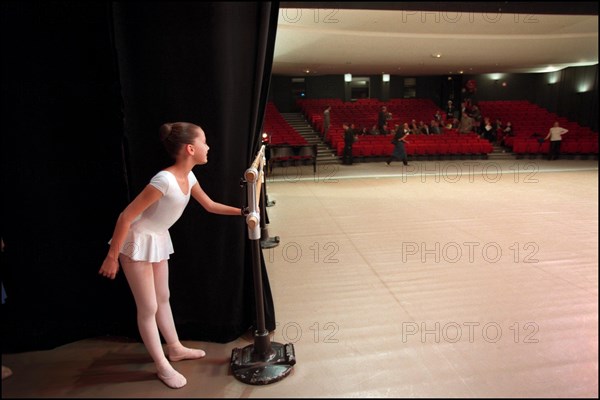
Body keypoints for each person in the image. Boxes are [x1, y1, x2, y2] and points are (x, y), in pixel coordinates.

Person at [98, 122, 245, 389]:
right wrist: (112, 256)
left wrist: (243, 213)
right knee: (149, 307)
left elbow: (210, 206)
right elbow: (126, 217)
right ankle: (161, 366)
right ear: (190, 148)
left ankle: (175, 348)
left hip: (157, 238)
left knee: (163, 297)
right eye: (204, 141)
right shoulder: (163, 180)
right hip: (137, 242)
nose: (208, 147)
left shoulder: (189, 177)